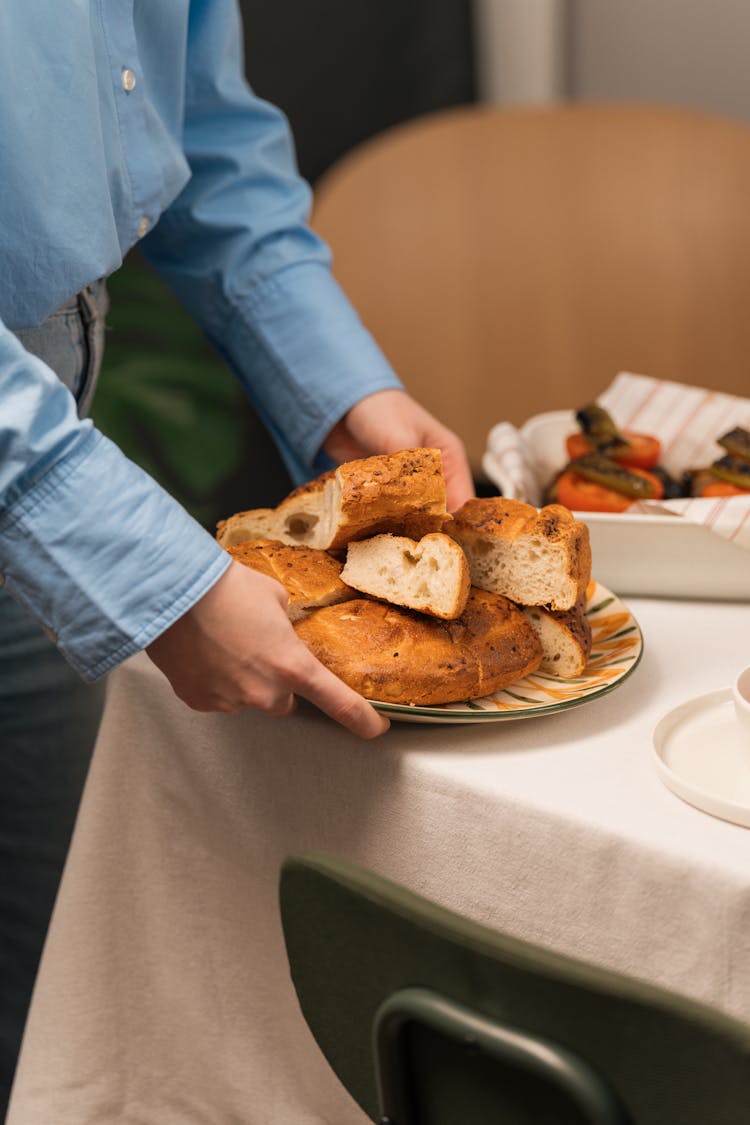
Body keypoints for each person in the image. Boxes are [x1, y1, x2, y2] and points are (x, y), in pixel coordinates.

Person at [0, 0, 474, 1111]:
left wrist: (341, 388)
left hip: (33, 509)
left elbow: (195, 130)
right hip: (48, 486)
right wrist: (158, 584)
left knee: (54, 1016)